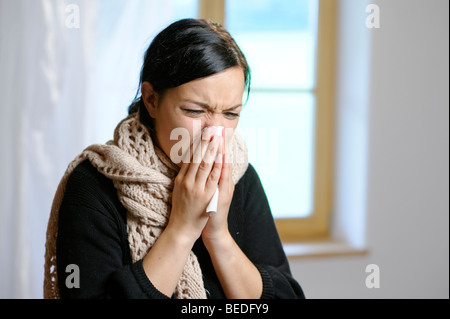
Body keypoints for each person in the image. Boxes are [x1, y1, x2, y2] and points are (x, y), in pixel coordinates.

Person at [43, 18, 304, 299]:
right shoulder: (94, 185)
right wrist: (182, 229)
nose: (215, 133)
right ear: (151, 99)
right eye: (194, 111)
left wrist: (218, 237)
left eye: (230, 114)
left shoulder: (238, 176)